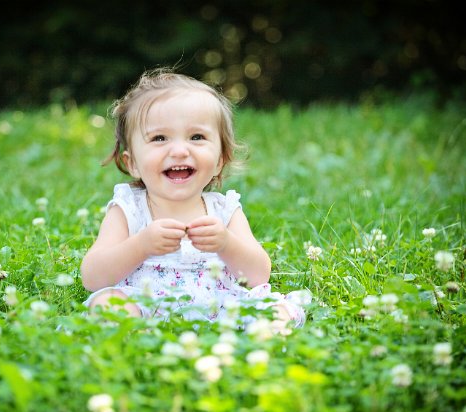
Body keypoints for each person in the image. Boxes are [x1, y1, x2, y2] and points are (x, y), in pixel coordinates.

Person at [80, 69, 309, 327]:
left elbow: (258, 276)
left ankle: (262, 343)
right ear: (132, 163)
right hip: (147, 305)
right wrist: (141, 245)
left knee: (274, 310)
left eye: (196, 137)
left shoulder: (224, 210)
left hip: (222, 306)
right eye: (159, 138)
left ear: (220, 160)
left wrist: (226, 243)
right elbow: (93, 277)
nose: (179, 151)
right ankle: (136, 345)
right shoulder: (129, 209)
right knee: (108, 303)